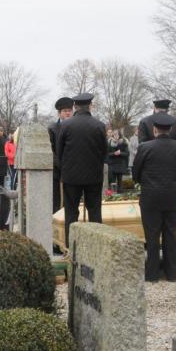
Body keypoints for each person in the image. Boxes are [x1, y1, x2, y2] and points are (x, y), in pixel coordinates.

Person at [132, 113, 176, 282]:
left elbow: (136, 173)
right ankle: (172, 273)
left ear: (155, 129)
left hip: (151, 196)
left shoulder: (145, 147)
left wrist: (146, 182)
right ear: (170, 129)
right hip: (171, 195)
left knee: (152, 235)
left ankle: (152, 273)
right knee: (170, 234)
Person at [57, 93, 108, 246]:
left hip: (71, 176)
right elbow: (104, 152)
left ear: (75, 107)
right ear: (90, 106)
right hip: (94, 176)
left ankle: (70, 247)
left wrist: (65, 169)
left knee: (71, 212)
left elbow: (60, 152)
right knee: (95, 212)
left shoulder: (66, 125)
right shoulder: (99, 125)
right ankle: (97, 246)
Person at [49, 97, 74, 213]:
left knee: (71, 202)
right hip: (57, 171)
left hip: (73, 171)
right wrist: (61, 165)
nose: (68, 113)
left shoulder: (76, 127)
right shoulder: (52, 128)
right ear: (59, 113)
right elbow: (51, 150)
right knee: (56, 202)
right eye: (65, 111)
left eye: (70, 110)